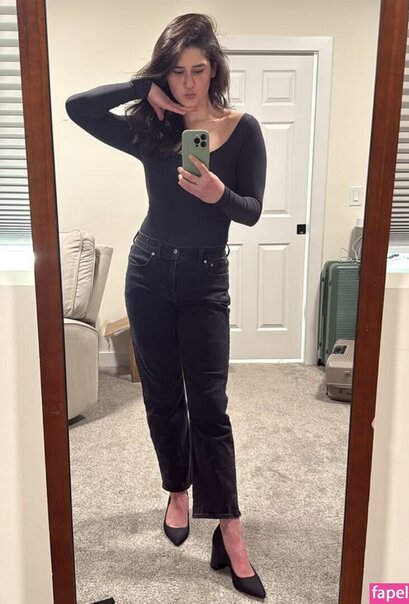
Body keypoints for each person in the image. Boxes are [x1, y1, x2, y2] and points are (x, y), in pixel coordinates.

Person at [65, 13, 267, 599]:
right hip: (149, 271)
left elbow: (253, 210)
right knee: (161, 396)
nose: (189, 83)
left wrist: (218, 194)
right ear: (165, 74)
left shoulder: (242, 129)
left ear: (214, 69)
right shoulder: (152, 130)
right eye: (177, 72)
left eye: (198, 70)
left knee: (210, 406)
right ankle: (177, 490)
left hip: (205, 280)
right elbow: (78, 108)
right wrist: (141, 88)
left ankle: (230, 529)